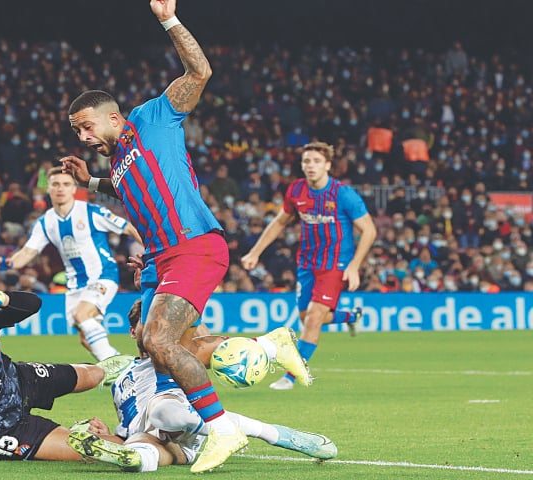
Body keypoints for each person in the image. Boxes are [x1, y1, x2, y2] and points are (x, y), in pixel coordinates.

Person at [60, 0, 245, 472]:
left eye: (86, 126)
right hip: (163, 257)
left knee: (161, 342)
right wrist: (91, 184)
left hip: (193, 244)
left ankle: (222, 430)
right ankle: (259, 360)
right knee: (152, 343)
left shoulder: (153, 118)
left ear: (113, 118)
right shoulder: (116, 163)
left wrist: (169, 19)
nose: (82, 136)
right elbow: (129, 192)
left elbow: (200, 72)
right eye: (77, 130)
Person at [66, 299, 336, 472]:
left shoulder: (175, 355)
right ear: (133, 331)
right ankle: (135, 460)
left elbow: (198, 331)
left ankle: (272, 432)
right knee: (137, 449)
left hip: (177, 416)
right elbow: (94, 340)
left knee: (163, 411)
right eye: (144, 325)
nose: (152, 330)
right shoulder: (118, 367)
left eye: (155, 325)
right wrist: (107, 432)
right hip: (160, 440)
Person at [0, 263, 140, 467]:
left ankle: (141, 372)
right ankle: (121, 440)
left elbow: (33, 303)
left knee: (94, 373)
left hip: (21, 380)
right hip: (2, 429)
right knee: (105, 448)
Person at [241, 141, 376, 390]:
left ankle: (292, 376)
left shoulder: (343, 194)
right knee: (308, 318)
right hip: (308, 263)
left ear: (327, 165)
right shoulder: (296, 190)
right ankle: (351, 316)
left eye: (316, 161)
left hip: (335, 264)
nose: (310, 166)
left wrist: (355, 265)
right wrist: (255, 252)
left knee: (314, 319)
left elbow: (369, 229)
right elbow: (280, 222)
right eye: (306, 161)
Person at [0, 167, 141, 361]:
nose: (60, 188)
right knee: (85, 339)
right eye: (55, 184)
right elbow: (28, 252)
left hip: (103, 275)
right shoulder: (45, 222)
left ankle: (121, 367)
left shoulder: (91, 212)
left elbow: (129, 228)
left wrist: (152, 249)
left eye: (66, 184)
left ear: (73, 188)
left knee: (83, 315)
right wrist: (7, 263)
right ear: (49, 189)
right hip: (75, 285)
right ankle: (122, 366)